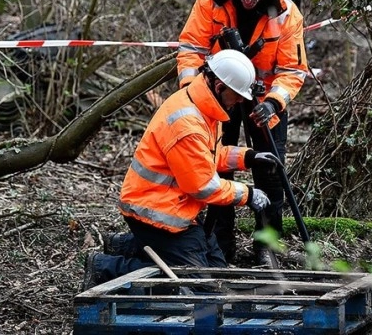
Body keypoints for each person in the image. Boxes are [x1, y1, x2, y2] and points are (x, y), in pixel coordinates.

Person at [81, 49, 281, 290]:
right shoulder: (188, 124)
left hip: (177, 210)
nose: (240, 101)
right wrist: (248, 194)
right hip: (156, 214)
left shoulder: (203, 108)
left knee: (217, 269)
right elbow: (203, 186)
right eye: (237, 95)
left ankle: (126, 246)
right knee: (198, 284)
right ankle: (104, 267)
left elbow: (207, 157)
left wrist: (249, 157)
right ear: (219, 87)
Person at [176, 0, 308, 266]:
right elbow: (191, 49)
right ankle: (220, 246)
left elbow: (293, 70)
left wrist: (274, 102)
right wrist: (194, 95)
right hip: (218, 94)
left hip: (264, 101)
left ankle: (268, 247)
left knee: (270, 172)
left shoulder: (287, 15)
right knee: (218, 167)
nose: (248, 2)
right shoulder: (210, 0)